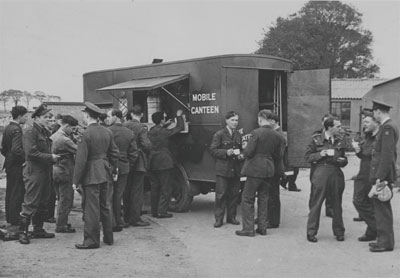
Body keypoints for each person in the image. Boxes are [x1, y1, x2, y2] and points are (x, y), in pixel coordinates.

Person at [73, 102, 119, 249]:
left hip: (91, 174)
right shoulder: (107, 131)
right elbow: (114, 153)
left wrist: (76, 180)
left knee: (91, 208)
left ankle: (92, 241)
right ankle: (108, 237)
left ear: (87, 116)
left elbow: (81, 160)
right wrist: (113, 169)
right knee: (105, 205)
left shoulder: (85, 133)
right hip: (105, 172)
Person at [235, 109, 284, 237]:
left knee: (247, 198)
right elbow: (278, 155)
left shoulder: (256, 133)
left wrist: (242, 154)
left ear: (261, 119)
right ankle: (262, 227)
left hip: (255, 169)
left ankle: (248, 229)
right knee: (263, 198)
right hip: (269, 169)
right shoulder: (278, 135)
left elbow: (249, 151)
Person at [18, 104, 60, 244]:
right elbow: (31, 153)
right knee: (31, 202)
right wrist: (51, 157)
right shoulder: (31, 131)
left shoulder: (43, 131)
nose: (49, 119)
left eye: (50, 117)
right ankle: (23, 232)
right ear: (36, 118)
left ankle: (38, 229)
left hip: (45, 171)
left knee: (44, 201)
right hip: (34, 172)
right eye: (46, 117)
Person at [305, 117, 348, 243]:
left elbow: (344, 159)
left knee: (337, 203)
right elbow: (307, 157)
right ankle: (311, 232)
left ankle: (339, 232)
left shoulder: (340, 141)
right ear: (329, 127)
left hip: (336, 172)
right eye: (338, 126)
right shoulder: (316, 139)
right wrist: (320, 154)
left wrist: (343, 161)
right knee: (316, 203)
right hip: (321, 171)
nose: (340, 129)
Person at [368, 100, 398, 252]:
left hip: (383, 176)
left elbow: (387, 156)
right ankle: (383, 240)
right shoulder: (387, 127)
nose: (374, 115)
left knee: (382, 210)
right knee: (380, 208)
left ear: (378, 111)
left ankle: (385, 242)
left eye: (374, 112)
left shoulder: (387, 128)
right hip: (382, 175)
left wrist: (379, 177)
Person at [106, 109, 138, 231]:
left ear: (115, 117)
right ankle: (120, 220)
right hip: (124, 166)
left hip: (109, 166)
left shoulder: (107, 131)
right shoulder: (129, 133)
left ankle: (111, 220)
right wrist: (129, 164)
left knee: (109, 194)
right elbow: (134, 153)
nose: (108, 119)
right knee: (119, 194)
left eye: (109, 116)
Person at [148, 110, 184, 218]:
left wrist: (164, 124)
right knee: (165, 188)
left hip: (152, 162)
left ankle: (154, 211)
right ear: (161, 120)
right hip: (164, 162)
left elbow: (159, 130)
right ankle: (162, 211)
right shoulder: (164, 132)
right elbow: (179, 128)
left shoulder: (151, 131)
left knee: (155, 187)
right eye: (164, 118)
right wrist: (179, 117)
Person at [210, 111, 243, 228]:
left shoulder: (239, 135)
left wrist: (241, 155)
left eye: (236, 120)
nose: (235, 123)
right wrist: (226, 152)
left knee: (234, 194)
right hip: (223, 170)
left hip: (235, 169)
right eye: (232, 120)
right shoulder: (219, 134)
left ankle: (231, 217)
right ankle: (219, 219)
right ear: (227, 121)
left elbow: (241, 149)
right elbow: (213, 150)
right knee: (221, 195)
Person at [123, 105, 152, 227]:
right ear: (142, 115)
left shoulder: (125, 125)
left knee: (127, 189)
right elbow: (146, 145)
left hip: (126, 160)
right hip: (138, 162)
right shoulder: (142, 127)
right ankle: (135, 218)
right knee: (137, 191)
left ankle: (126, 217)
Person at [352, 111, 379, 242]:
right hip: (363, 173)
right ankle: (374, 229)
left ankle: (375, 228)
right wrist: (358, 152)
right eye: (363, 121)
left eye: (367, 122)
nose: (364, 124)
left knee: (361, 201)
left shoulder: (379, 138)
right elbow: (365, 156)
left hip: (371, 175)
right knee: (361, 201)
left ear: (376, 122)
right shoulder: (368, 136)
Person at [50, 115, 79, 233]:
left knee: (60, 198)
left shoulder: (54, 135)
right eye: (72, 128)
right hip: (65, 171)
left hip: (55, 170)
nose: (73, 130)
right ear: (66, 126)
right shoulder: (65, 139)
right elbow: (79, 150)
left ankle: (61, 222)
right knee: (66, 199)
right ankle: (61, 225)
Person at [1, 106, 28, 227]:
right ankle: (15, 218)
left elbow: (3, 148)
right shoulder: (17, 129)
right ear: (20, 116)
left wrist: (9, 157)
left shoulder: (7, 128)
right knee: (17, 191)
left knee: (10, 191)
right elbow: (16, 149)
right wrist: (26, 157)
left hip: (9, 164)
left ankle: (10, 217)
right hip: (17, 165)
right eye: (25, 116)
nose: (26, 118)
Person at [308, 113, 335, 218]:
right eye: (325, 121)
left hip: (329, 167)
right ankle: (313, 208)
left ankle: (329, 209)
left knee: (330, 189)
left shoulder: (335, 136)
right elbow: (309, 154)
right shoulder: (316, 135)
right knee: (315, 188)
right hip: (317, 166)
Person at [265, 113, 286, 229]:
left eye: (267, 121)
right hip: (271, 167)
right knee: (268, 194)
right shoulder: (276, 133)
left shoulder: (279, 135)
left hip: (275, 168)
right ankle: (267, 217)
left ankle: (273, 221)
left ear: (273, 121)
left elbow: (279, 154)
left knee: (273, 195)